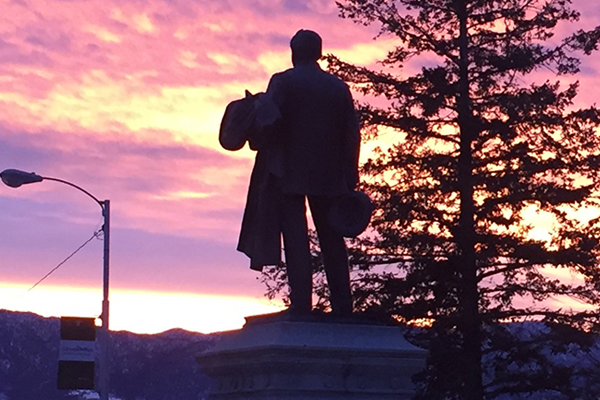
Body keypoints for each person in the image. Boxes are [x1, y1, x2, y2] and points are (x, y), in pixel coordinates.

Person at [261, 29, 360, 316]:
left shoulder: (283, 82)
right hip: (330, 175)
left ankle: (301, 305)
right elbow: (351, 133)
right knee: (332, 239)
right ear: (318, 53)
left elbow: (269, 124)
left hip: (289, 172)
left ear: (294, 52)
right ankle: (343, 305)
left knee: (296, 240)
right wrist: (349, 174)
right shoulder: (337, 87)